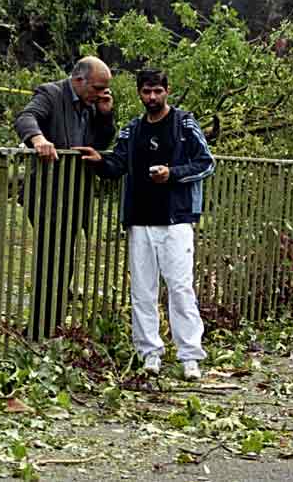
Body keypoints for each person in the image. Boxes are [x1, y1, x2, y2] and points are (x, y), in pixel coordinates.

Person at [74, 69, 215, 380]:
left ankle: (190, 356)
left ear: (167, 90)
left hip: (175, 219)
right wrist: (99, 160)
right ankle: (149, 353)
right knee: (142, 290)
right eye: (146, 92)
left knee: (179, 288)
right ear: (139, 92)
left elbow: (206, 163)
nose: (152, 98)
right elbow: (117, 164)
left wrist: (173, 173)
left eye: (157, 92)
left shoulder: (184, 124)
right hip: (139, 220)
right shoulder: (132, 129)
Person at [14, 56, 116, 340]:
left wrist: (106, 114)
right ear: (79, 80)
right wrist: (38, 140)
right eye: (97, 88)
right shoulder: (51, 93)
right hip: (48, 193)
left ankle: (52, 323)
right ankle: (38, 327)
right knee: (51, 257)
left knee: (65, 260)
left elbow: (102, 143)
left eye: (104, 89)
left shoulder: (92, 106)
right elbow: (25, 117)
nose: (101, 94)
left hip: (76, 193)